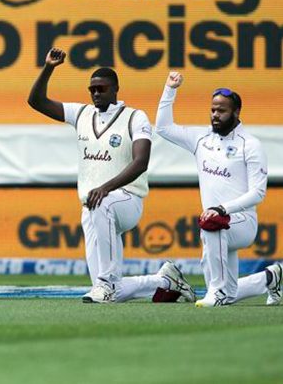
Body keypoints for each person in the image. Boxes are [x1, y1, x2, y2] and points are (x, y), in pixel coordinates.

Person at [27, 48, 195, 304]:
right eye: (92, 89)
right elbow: (36, 101)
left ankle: (107, 282)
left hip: (126, 201)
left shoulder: (135, 117)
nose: (96, 93)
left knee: (103, 273)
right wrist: (49, 67)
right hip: (93, 204)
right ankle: (164, 281)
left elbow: (141, 162)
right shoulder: (81, 114)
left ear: (116, 89)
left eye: (101, 89)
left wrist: (105, 188)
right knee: (108, 291)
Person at [156, 71, 280, 307]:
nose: (215, 115)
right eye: (213, 110)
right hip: (217, 219)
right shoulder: (201, 139)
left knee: (211, 227)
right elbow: (163, 128)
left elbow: (258, 193)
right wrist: (170, 89)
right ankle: (269, 277)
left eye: (221, 111)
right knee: (226, 284)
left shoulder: (250, 145)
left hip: (243, 221)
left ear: (236, 112)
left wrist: (222, 209)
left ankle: (218, 293)